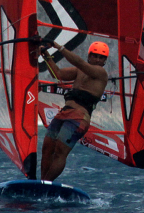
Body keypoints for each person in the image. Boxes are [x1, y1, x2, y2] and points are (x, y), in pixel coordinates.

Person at [39, 41, 109, 182]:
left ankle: (46, 183)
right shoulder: (80, 71)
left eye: (101, 58)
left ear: (105, 61)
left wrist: (59, 47)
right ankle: (41, 182)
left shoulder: (101, 73)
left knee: (59, 151)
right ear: (89, 55)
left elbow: (81, 63)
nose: (97, 60)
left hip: (79, 118)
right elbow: (57, 73)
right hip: (65, 113)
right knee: (47, 148)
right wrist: (45, 55)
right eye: (95, 56)